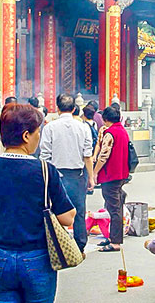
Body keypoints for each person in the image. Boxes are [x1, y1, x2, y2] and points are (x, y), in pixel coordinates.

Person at [0, 104, 76, 303]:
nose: (39, 137)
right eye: (37, 132)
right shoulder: (45, 171)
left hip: (0, 258)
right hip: (37, 258)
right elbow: (67, 218)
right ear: (26, 136)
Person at [40, 93, 94, 253]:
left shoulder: (50, 127)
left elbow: (45, 155)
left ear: (57, 109)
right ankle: (80, 244)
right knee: (79, 211)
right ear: (73, 109)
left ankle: (56, 243)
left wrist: (45, 177)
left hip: (55, 174)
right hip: (77, 175)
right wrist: (91, 177)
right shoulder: (83, 127)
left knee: (54, 211)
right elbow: (87, 155)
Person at [93, 106, 130, 252]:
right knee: (114, 206)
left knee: (114, 209)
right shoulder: (122, 131)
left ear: (105, 119)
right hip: (121, 173)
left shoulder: (110, 133)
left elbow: (104, 155)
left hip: (111, 175)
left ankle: (115, 242)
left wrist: (95, 172)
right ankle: (112, 237)